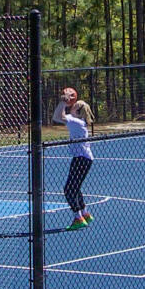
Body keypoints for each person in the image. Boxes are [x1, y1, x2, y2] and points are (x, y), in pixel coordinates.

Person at [52, 87, 96, 229]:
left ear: (77, 111)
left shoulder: (76, 121)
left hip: (81, 158)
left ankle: (78, 218)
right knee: (75, 187)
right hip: (84, 158)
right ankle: (85, 213)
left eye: (74, 106)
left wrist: (63, 102)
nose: (72, 106)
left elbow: (57, 117)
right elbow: (59, 117)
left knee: (68, 189)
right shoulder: (79, 122)